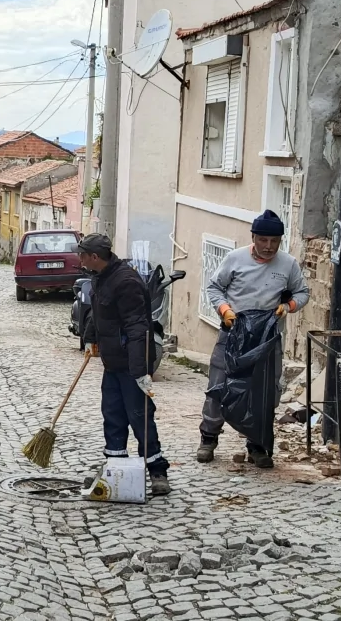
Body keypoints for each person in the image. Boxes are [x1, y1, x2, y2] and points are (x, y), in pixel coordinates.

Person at [197, 210, 310, 468]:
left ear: (280, 241)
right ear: (254, 238)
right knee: (219, 386)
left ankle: (257, 445)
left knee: (265, 392)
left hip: (267, 339)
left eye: (274, 241)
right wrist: (224, 310)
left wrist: (289, 305)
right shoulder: (235, 259)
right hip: (233, 334)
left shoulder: (288, 264)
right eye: (263, 240)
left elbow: (303, 293)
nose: (269, 247)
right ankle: (208, 438)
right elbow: (214, 287)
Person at [79, 233, 171, 497]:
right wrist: (90, 339)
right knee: (112, 414)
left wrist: (141, 371)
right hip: (112, 363)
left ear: (95, 257)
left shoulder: (126, 282)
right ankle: (116, 467)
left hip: (130, 366)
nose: (80, 259)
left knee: (140, 417)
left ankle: (157, 471)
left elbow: (137, 328)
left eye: (82, 255)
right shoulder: (100, 278)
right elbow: (98, 314)